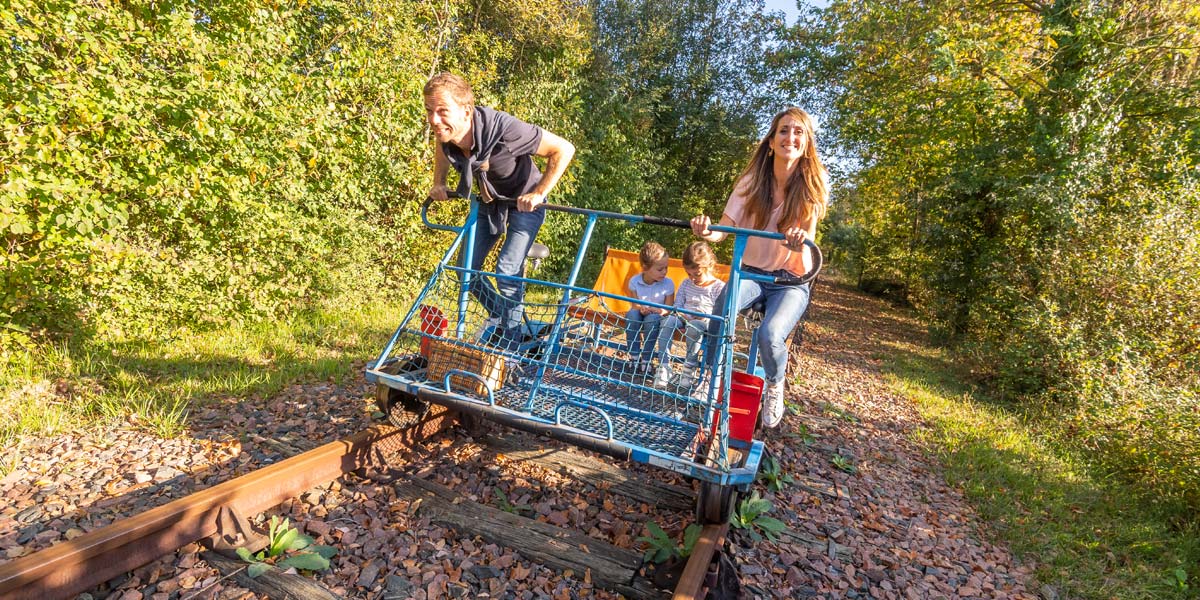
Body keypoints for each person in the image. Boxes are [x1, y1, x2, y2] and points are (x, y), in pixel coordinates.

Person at [691, 107, 828, 428]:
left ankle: (774, 384)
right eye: (783, 130)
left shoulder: (811, 188)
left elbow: (806, 242)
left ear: (806, 143)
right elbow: (724, 231)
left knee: (770, 335)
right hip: (751, 272)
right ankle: (709, 378)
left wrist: (797, 240)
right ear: (771, 140)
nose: (790, 137)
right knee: (719, 313)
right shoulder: (751, 182)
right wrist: (705, 229)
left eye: (798, 132)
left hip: (791, 280)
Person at [424, 72, 575, 350]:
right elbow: (441, 145)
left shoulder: (505, 129)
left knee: (506, 269)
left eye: (442, 111)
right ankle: (503, 317)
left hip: (523, 203)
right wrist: (439, 183)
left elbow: (564, 149)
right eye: (430, 111)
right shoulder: (447, 134)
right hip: (489, 201)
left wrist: (539, 192)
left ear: (466, 111)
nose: (434, 120)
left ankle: (512, 346)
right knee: (464, 269)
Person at [653, 242, 725, 388]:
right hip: (683, 316)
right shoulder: (686, 284)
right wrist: (683, 314)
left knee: (695, 326)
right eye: (689, 274)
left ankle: (688, 369)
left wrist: (704, 316)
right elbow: (677, 305)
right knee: (667, 322)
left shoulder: (718, 287)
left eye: (697, 274)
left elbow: (719, 312)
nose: (692, 278)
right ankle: (664, 366)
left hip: (703, 322)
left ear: (709, 266)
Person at [624, 242, 674, 369]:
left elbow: (668, 309)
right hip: (640, 313)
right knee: (631, 315)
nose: (664, 272)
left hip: (657, 315)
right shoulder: (635, 281)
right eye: (660, 269)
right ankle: (634, 355)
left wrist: (657, 310)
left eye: (666, 268)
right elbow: (634, 305)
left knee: (651, 319)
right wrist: (641, 308)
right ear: (645, 268)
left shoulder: (668, 284)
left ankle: (647, 358)